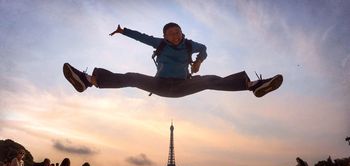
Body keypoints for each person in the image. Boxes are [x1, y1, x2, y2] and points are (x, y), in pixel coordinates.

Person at [63, 22, 283, 98]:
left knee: (209, 80)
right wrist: (124, 31)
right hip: (159, 85)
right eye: (170, 34)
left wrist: (198, 62)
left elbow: (204, 49)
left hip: (183, 85)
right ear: (165, 36)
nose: (175, 37)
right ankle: (88, 80)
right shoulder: (158, 43)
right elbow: (142, 37)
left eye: (177, 32)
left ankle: (254, 85)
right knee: (131, 77)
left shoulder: (189, 45)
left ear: (181, 32)